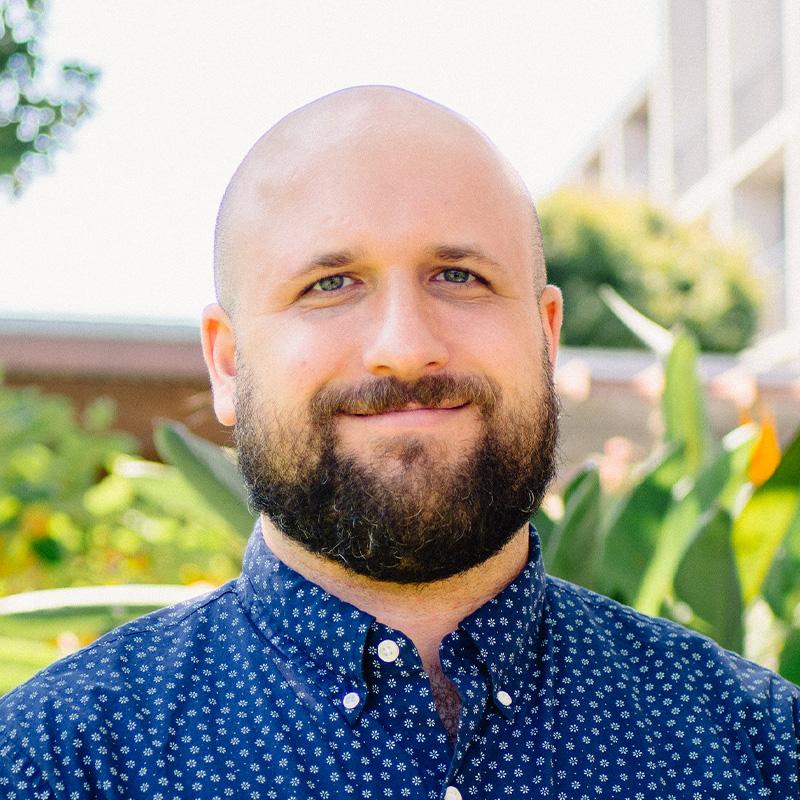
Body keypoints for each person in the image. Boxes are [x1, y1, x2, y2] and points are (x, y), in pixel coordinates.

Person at [1, 85, 798, 799]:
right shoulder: (55, 766)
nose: (405, 345)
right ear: (228, 363)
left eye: (459, 276)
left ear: (546, 338)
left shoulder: (763, 753)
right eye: (330, 284)